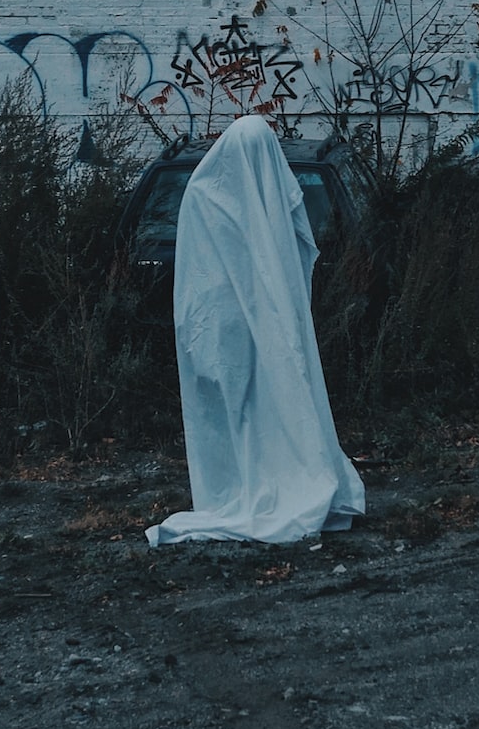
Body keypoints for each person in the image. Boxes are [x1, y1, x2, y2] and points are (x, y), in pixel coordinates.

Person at [144, 116, 366, 546]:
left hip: (252, 322)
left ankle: (257, 484)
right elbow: (204, 269)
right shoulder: (209, 198)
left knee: (267, 404)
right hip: (223, 325)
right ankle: (240, 488)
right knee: (236, 409)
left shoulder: (253, 196)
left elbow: (293, 244)